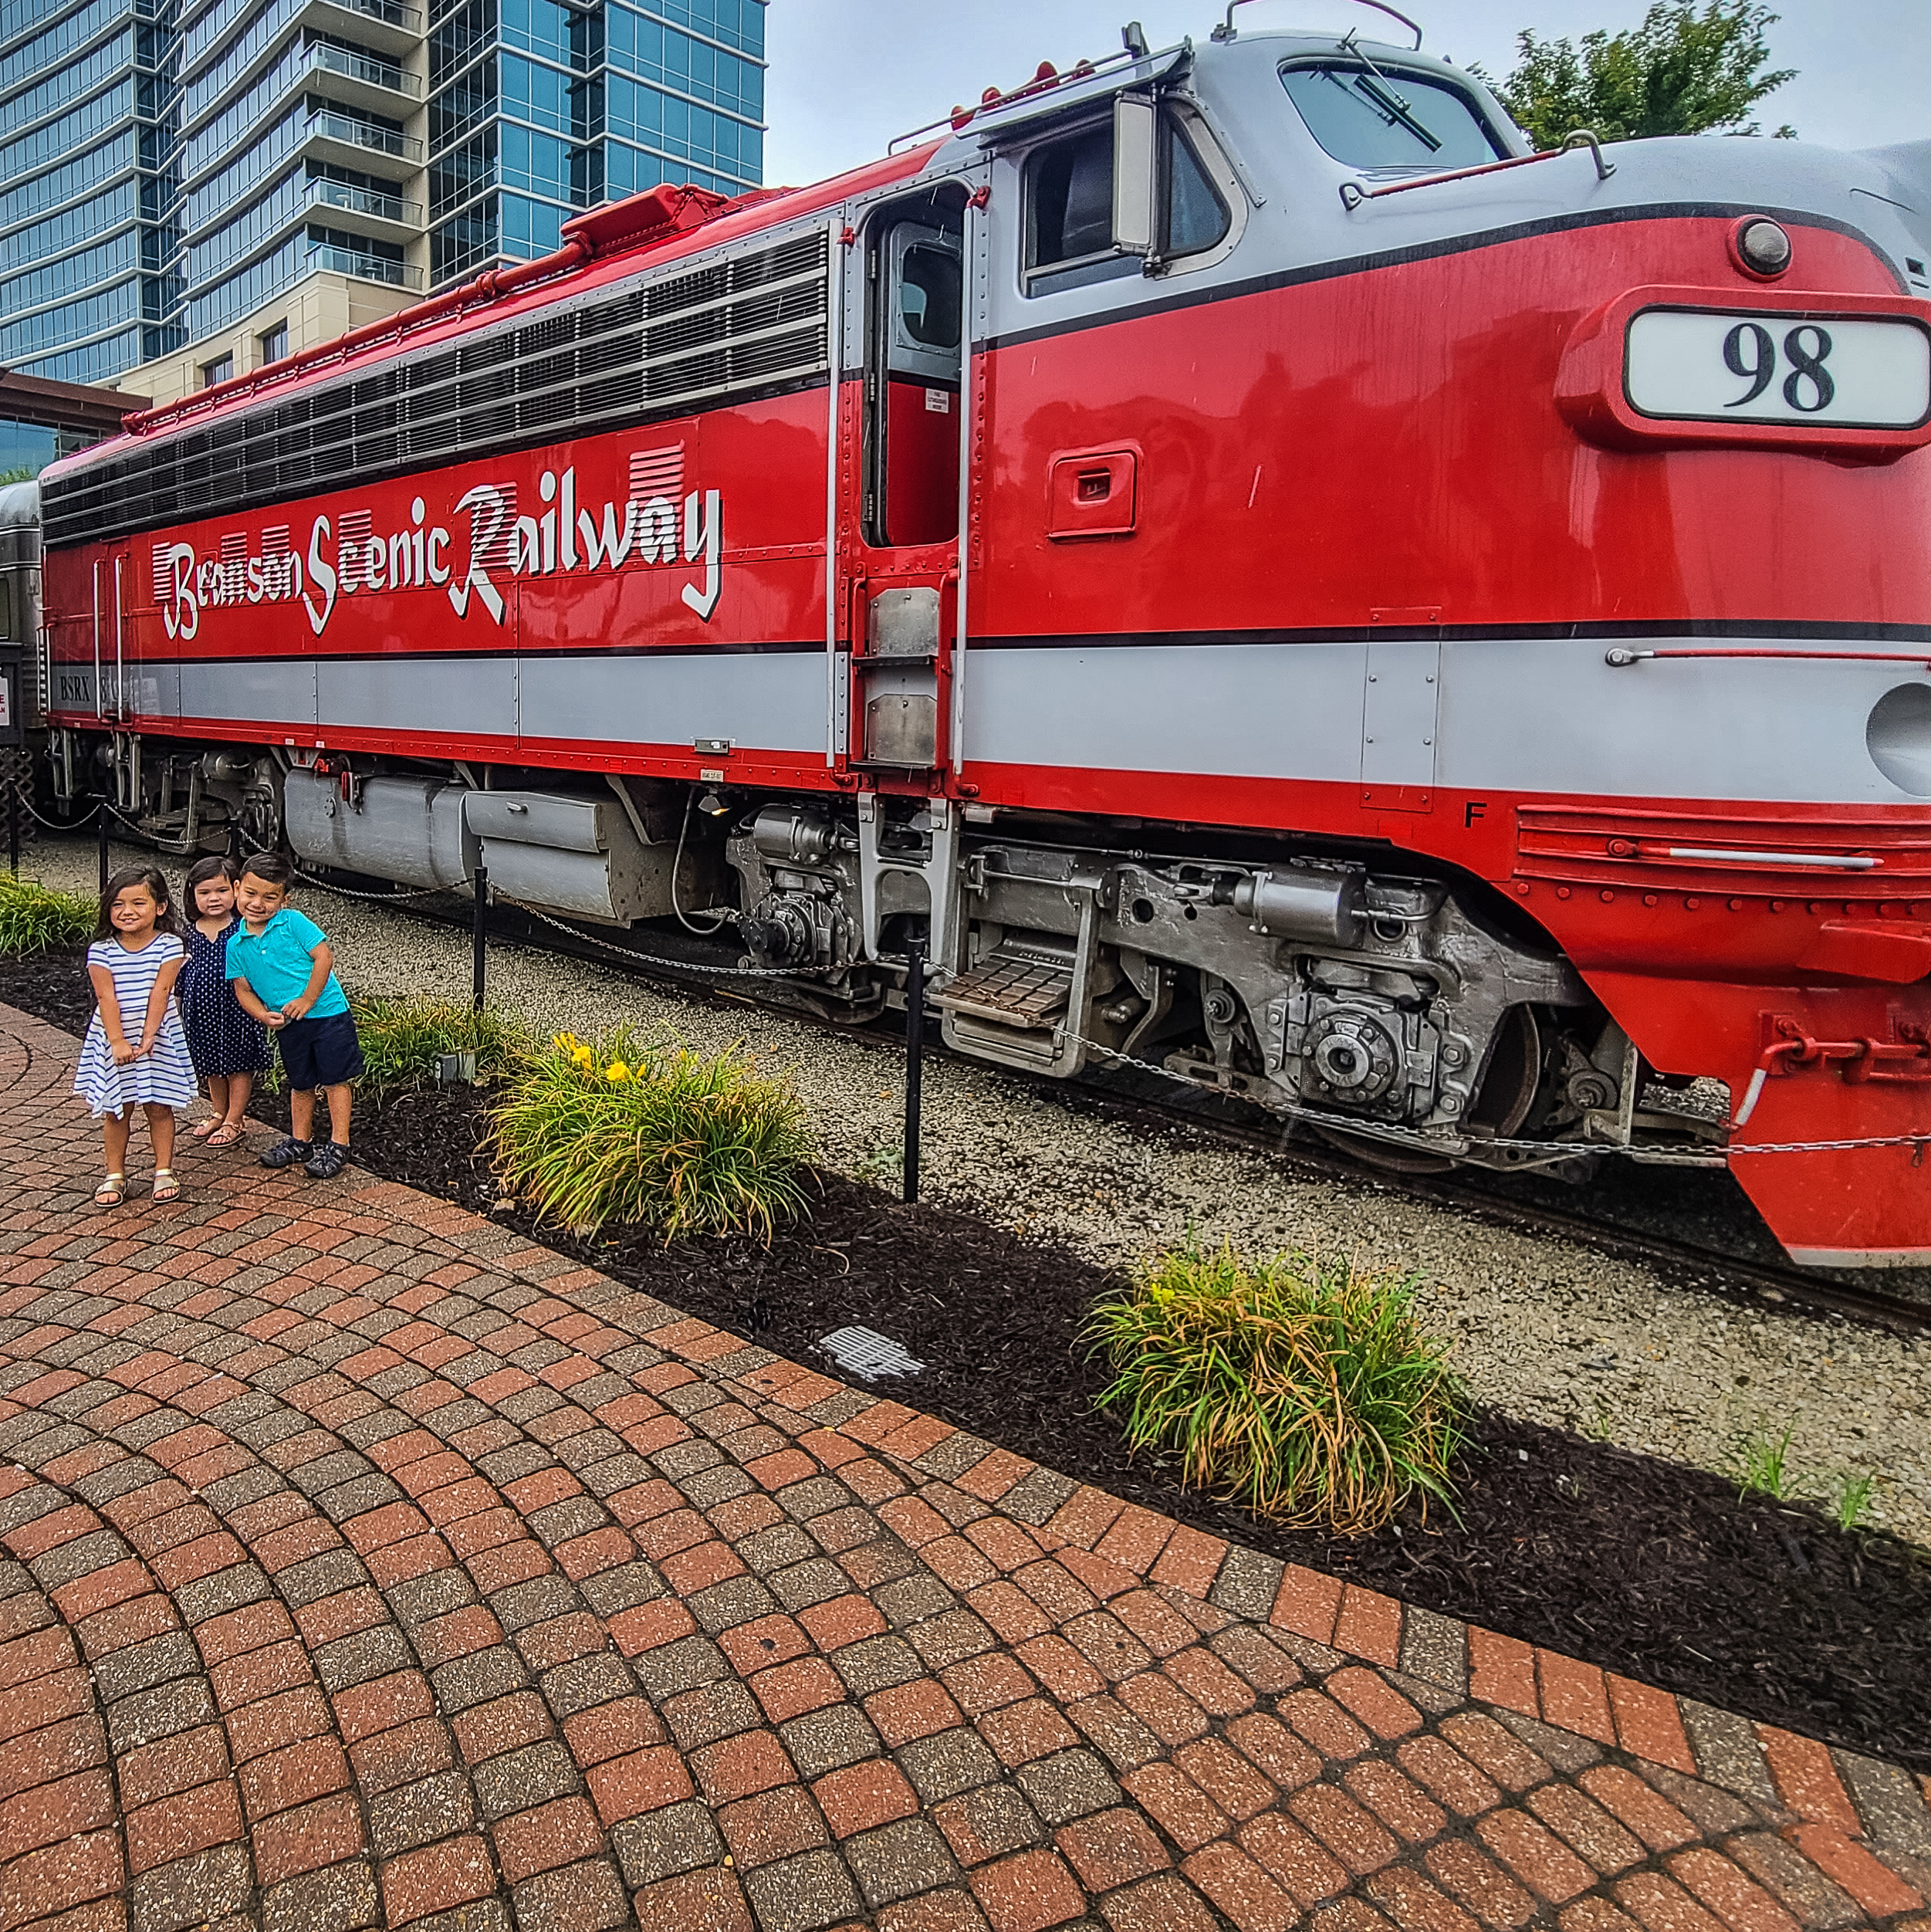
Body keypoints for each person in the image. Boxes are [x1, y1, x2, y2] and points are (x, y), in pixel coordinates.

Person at [225, 853, 364, 1179]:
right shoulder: (236, 943)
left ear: (284, 899)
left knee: (334, 1080)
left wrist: (307, 999)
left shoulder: (294, 923)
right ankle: (301, 1140)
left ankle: (339, 1143)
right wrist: (262, 1015)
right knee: (300, 1082)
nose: (257, 903)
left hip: (328, 1015)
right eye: (250, 893)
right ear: (237, 889)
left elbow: (323, 958)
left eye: (269, 897)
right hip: (288, 1024)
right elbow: (242, 988)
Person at [73, 865, 196, 1206]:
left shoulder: (169, 945)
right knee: (117, 1110)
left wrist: (149, 1037)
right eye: (118, 904)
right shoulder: (102, 950)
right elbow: (105, 997)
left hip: (157, 1037)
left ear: (159, 907)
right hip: (114, 1035)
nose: (127, 912)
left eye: (138, 903)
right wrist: (117, 1041)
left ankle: (164, 1169)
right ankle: (115, 1173)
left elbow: (163, 989)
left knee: (159, 1106)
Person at [178, 855, 271, 1146]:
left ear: (235, 889)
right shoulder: (188, 932)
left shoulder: (243, 930)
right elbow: (178, 975)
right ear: (192, 895)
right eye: (204, 893)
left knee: (237, 1064)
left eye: (221, 891)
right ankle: (219, 1110)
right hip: (200, 1012)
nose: (213, 899)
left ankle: (235, 1118)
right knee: (209, 1065)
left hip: (237, 1011)